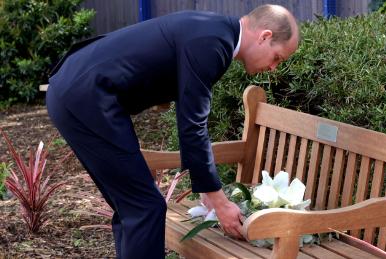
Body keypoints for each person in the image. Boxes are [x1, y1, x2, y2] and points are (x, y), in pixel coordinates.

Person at [46, 4, 299, 259]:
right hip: (87, 98)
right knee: (146, 208)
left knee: (134, 207)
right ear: (265, 36)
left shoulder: (214, 31)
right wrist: (219, 201)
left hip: (75, 91)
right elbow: (192, 126)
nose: (273, 67)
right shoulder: (213, 44)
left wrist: (208, 192)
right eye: (277, 57)